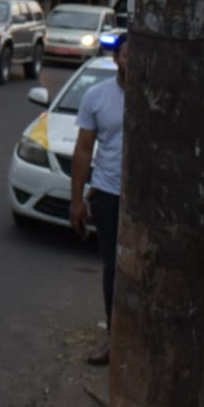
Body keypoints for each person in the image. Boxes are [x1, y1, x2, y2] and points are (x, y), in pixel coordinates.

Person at [70, 34, 128, 365]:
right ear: (116, 59)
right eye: (127, 56)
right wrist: (77, 199)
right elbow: (83, 149)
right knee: (112, 268)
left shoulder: (158, 96)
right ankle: (114, 339)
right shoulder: (97, 96)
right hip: (108, 193)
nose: (132, 62)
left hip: (149, 201)